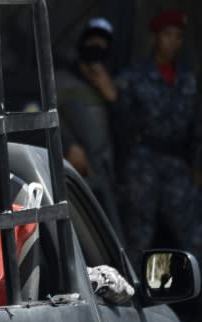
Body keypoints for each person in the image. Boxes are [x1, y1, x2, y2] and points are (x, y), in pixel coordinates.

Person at [114, 9, 202, 270]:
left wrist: (198, 166)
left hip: (178, 165)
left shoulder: (188, 79)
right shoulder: (133, 77)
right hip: (143, 165)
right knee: (138, 238)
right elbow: (120, 124)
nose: (173, 41)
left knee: (194, 235)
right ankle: (132, 299)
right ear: (156, 37)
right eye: (167, 35)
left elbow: (197, 126)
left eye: (178, 36)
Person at [56, 18, 124, 240]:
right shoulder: (61, 81)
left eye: (103, 43)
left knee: (109, 239)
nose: (97, 47)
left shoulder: (117, 84)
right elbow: (39, 114)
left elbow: (131, 130)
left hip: (106, 177)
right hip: (73, 175)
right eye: (93, 40)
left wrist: (111, 96)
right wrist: (68, 146)